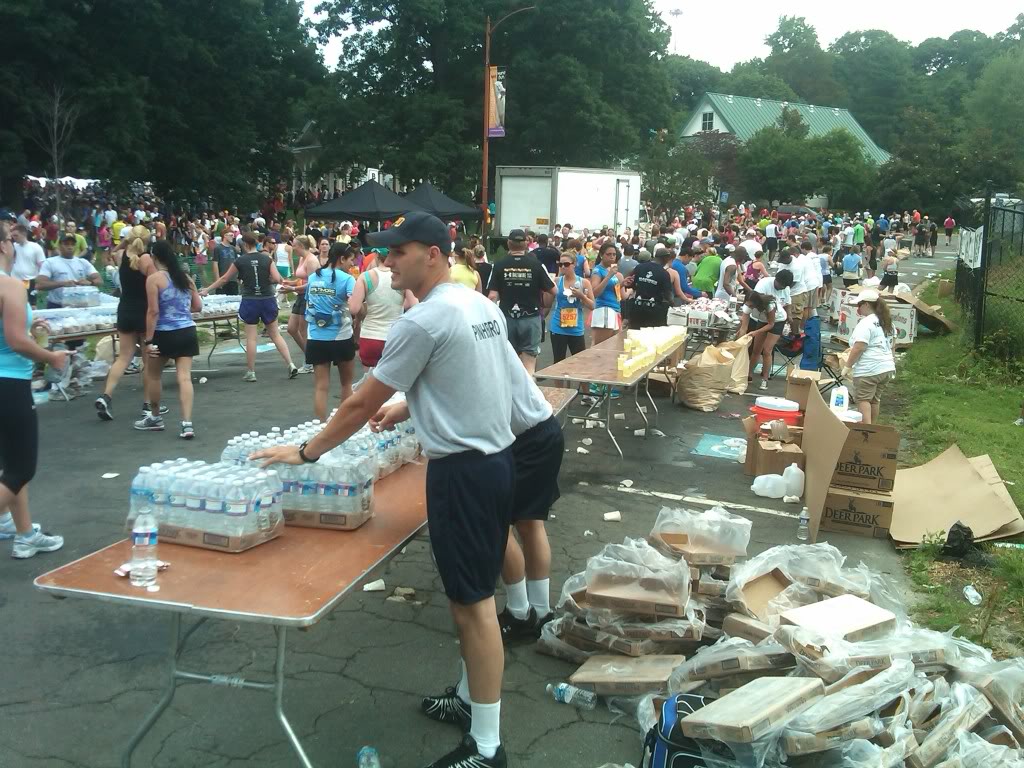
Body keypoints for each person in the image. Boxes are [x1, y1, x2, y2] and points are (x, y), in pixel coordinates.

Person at [253, 211, 521, 768]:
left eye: (397, 252)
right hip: (492, 461)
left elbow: (359, 403)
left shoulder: (424, 320)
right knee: (473, 598)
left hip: (465, 471)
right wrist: (415, 412)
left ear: (431, 253)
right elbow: (478, 381)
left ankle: (487, 747)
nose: (386, 262)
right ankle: (472, 701)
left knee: (472, 606)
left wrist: (307, 451)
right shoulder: (478, 305)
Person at [0, 221, 68, 558]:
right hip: (9, 382)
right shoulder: (9, 286)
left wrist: (30, 325)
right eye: (12, 241)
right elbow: (15, 341)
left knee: (10, 465)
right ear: (4, 246)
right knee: (22, 467)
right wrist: (50, 356)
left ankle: (24, 533)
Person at [201, 232, 298, 382]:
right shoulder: (267, 259)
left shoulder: (240, 261)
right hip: (267, 298)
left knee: (251, 338)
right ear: (257, 243)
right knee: (275, 334)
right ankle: (290, 364)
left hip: (250, 300)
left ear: (245, 245)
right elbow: (278, 278)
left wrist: (207, 289)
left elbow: (225, 278)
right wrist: (279, 282)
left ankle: (251, 372)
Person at [134, 241, 202, 438]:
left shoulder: (154, 279)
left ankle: (155, 417)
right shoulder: (185, 278)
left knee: (153, 375)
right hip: (187, 331)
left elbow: (153, 311)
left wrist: (147, 341)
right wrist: (180, 310)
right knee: (184, 377)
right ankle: (187, 423)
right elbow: (197, 306)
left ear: (154, 257)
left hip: (164, 333)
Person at [95, 225, 159, 421]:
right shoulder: (146, 259)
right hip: (144, 311)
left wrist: (125, 241)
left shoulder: (121, 255)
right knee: (148, 360)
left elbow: (112, 251)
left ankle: (106, 395)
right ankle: (148, 405)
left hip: (125, 309)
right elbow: (157, 283)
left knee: (123, 357)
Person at [487, 228, 555, 374]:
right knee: (529, 364)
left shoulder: (499, 265)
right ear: (526, 244)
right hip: (531, 317)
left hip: (507, 317)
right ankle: (528, 394)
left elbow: (492, 296)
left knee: (507, 363)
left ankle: (508, 395)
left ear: (508, 243)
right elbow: (553, 290)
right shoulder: (536, 265)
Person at [305, 242, 357, 420]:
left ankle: (319, 426)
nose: (353, 264)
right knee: (347, 384)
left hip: (316, 336)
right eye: (351, 260)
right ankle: (342, 427)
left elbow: (309, 302)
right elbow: (355, 307)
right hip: (341, 336)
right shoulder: (348, 279)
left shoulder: (313, 277)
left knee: (321, 387)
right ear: (342, 258)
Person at [349, 251, 410, 371]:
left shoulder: (365, 277)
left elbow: (354, 308)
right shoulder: (403, 276)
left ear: (376, 256)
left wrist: (357, 302)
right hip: (395, 336)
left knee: (369, 382)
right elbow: (413, 304)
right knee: (392, 383)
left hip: (370, 336)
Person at [843, 290, 896, 424]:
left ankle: (866, 432)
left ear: (866, 304)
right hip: (886, 367)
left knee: (863, 399)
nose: (858, 309)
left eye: (859, 305)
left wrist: (847, 366)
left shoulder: (866, 323)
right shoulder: (887, 322)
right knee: (874, 399)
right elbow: (892, 346)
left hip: (869, 369)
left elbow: (860, 346)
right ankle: (873, 429)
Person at [738, 270, 793, 391]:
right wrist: (740, 340)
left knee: (767, 350)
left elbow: (771, 324)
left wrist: (755, 332)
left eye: (752, 306)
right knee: (756, 350)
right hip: (763, 321)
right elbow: (744, 327)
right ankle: (748, 375)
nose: (750, 308)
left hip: (777, 321)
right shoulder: (748, 305)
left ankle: (765, 379)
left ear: (757, 304)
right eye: (748, 306)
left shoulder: (770, 305)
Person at [548, 250, 594, 363]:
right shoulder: (556, 281)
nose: (563, 267)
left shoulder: (583, 282)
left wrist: (582, 296)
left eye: (566, 264)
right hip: (558, 326)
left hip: (576, 328)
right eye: (560, 264)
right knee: (558, 363)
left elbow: (593, 305)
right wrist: (546, 288)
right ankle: (559, 381)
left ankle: (582, 381)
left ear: (574, 264)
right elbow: (547, 303)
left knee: (580, 363)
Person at [284, 234, 320, 372]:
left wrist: (292, 288)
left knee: (304, 330)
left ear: (299, 246)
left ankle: (310, 361)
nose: (292, 247)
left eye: (294, 245)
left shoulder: (311, 260)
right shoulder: (302, 258)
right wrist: (290, 283)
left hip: (308, 296)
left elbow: (312, 284)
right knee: (291, 328)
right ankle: (309, 356)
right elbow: (301, 279)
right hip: (300, 295)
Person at [35, 234, 101, 308]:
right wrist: (62, 284)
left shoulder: (83, 262)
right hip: (57, 305)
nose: (70, 247)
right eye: (66, 244)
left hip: (79, 305)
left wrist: (90, 283)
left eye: (72, 244)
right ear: (60, 246)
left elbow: (99, 280)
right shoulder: (50, 262)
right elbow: (40, 285)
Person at [628, 247, 673, 329]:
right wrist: (673, 304)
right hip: (654, 311)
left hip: (637, 309)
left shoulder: (639, 267)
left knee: (635, 336)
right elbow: (668, 294)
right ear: (665, 258)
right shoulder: (664, 273)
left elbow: (631, 284)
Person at [588, 242, 623, 345]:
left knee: (614, 346)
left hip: (614, 310)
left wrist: (623, 284)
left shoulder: (609, 269)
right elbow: (594, 292)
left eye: (614, 254)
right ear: (601, 255)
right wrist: (609, 276)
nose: (612, 257)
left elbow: (612, 290)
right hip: (604, 310)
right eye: (608, 254)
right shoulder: (598, 270)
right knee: (601, 347)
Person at [11, 224, 46, 305]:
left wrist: (40, 282)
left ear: (24, 234)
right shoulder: (13, 247)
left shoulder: (35, 247)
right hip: (15, 281)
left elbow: (43, 266)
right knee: (16, 304)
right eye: (13, 236)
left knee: (31, 305)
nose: (14, 238)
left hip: (30, 281)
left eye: (16, 235)